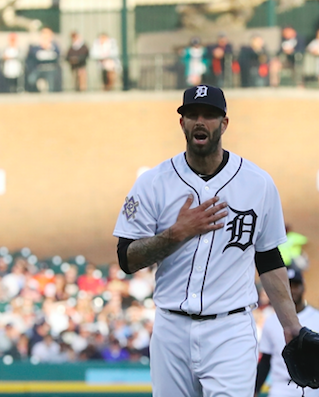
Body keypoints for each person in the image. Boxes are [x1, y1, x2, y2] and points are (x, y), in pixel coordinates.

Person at [113, 84, 302, 397]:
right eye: (192, 114)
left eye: (210, 115)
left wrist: (291, 324)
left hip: (230, 328)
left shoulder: (258, 183)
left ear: (224, 123)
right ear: (182, 123)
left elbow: (268, 259)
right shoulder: (153, 183)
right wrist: (176, 234)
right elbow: (126, 258)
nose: (200, 121)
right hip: (171, 328)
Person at [255, 267, 319, 397]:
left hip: (312, 388)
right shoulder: (271, 321)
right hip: (281, 388)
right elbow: (266, 360)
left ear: (303, 287)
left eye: (296, 285)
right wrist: (256, 389)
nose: (292, 290)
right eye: (289, 284)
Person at [26, 27, 62, 92]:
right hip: (39, 68)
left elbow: (57, 55)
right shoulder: (37, 46)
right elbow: (32, 55)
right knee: (31, 80)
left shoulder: (54, 46)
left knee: (51, 86)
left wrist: (49, 47)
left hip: (50, 69)